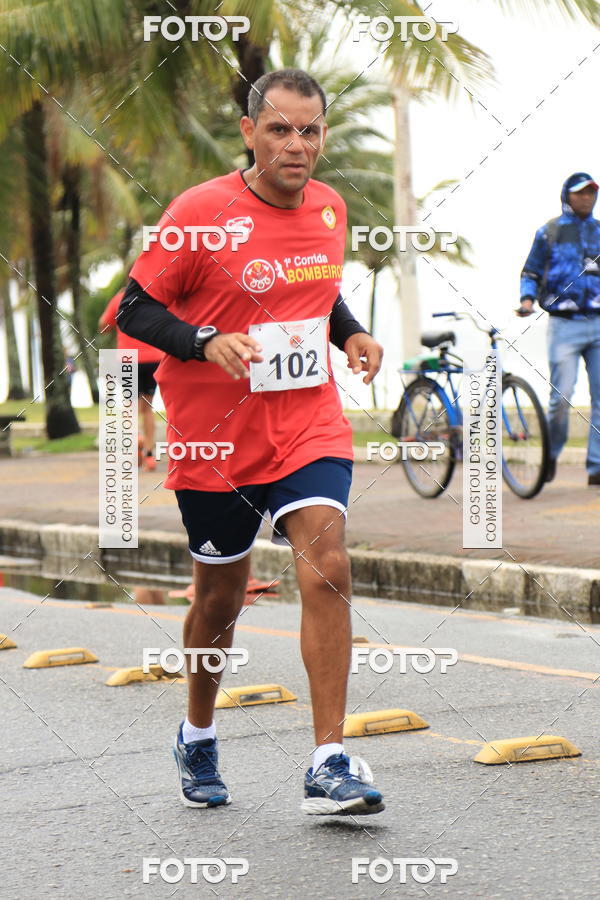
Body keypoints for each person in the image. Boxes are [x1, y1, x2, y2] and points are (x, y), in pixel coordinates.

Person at [118, 68, 385, 815]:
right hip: (215, 440)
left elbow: (317, 288)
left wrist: (352, 331)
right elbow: (133, 309)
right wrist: (204, 341)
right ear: (248, 132)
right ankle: (197, 732)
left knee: (327, 562)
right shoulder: (201, 213)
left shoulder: (330, 209)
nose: (297, 145)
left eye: (310, 130)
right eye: (280, 129)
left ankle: (328, 761)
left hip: (306, 423)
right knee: (220, 600)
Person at [520, 172, 600, 485]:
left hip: (598, 321)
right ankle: (551, 454)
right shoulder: (550, 231)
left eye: (592, 193)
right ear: (567, 195)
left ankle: (596, 467)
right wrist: (527, 300)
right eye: (580, 193)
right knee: (561, 398)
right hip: (564, 325)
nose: (586, 198)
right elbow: (531, 271)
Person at [99, 290, 163, 470]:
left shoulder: (120, 298)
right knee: (147, 409)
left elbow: (103, 326)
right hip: (153, 357)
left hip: (128, 359)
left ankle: (136, 440)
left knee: (131, 407)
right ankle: (149, 455)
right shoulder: (155, 295)